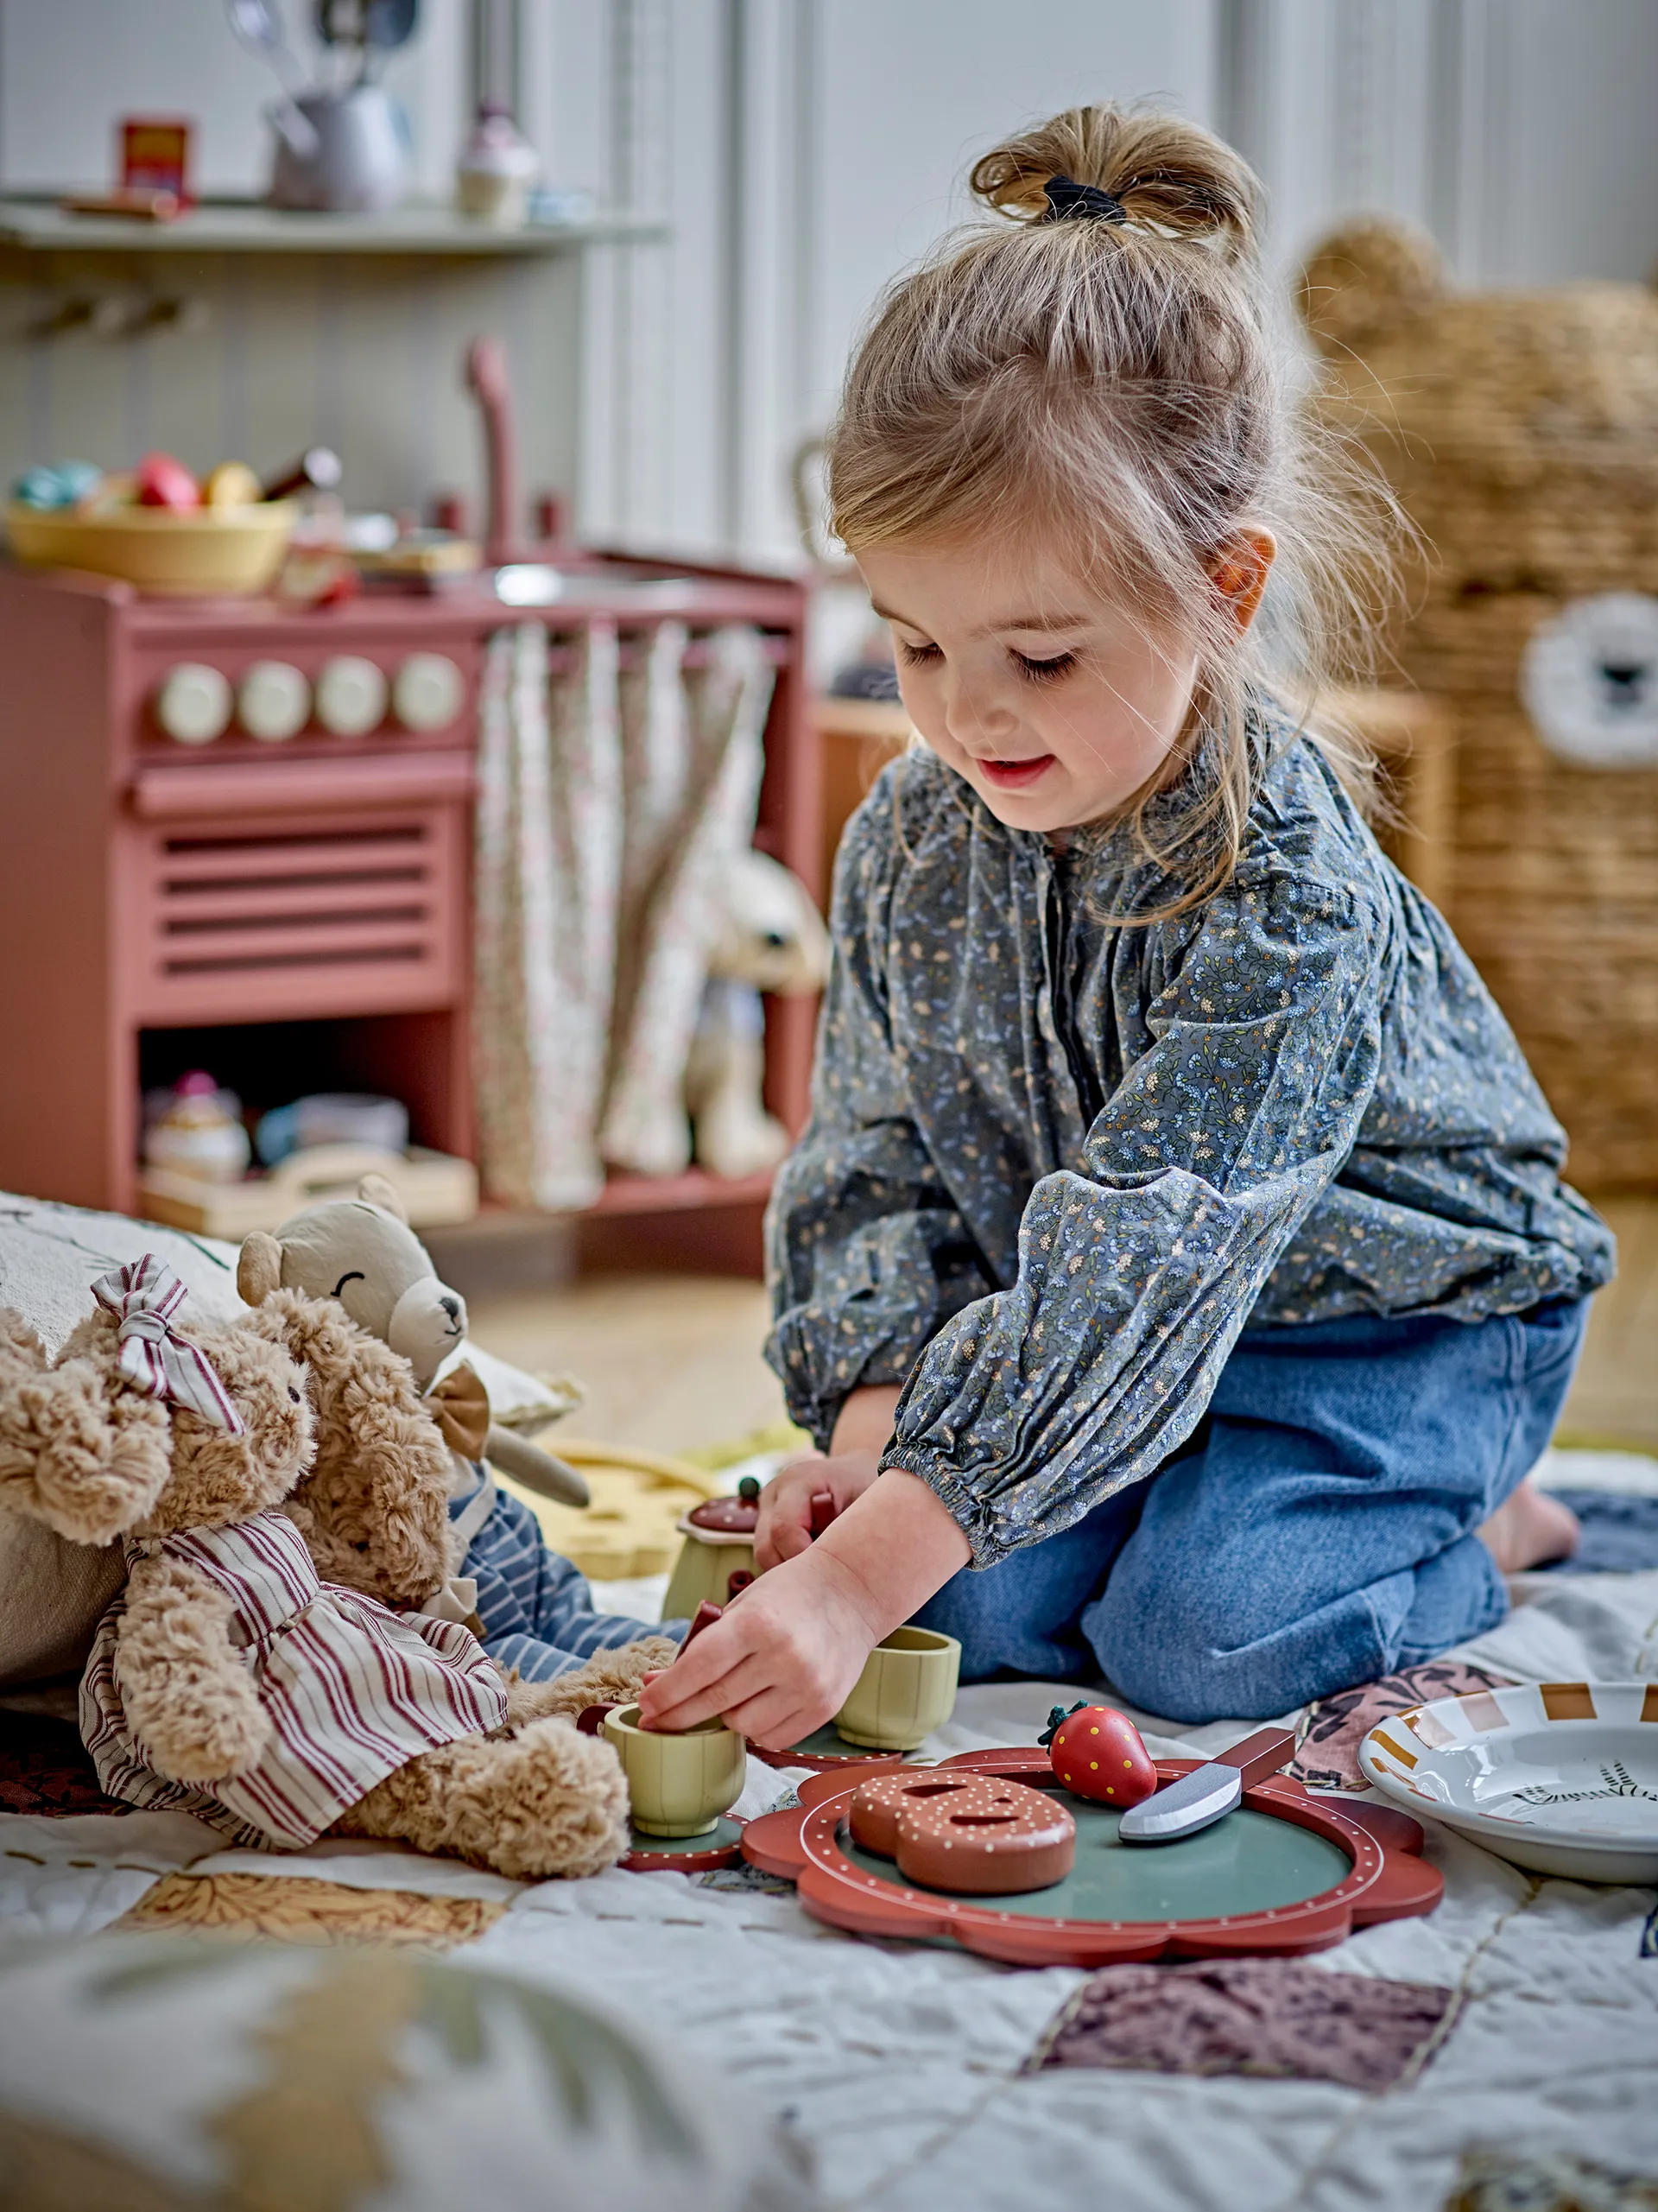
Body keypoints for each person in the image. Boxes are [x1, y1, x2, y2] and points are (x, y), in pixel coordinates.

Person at [639, 104, 1615, 1741]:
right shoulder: (908, 834)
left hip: (1394, 1329)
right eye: (915, 647)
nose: (965, 716)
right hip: (1112, 1328)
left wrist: (862, 1566)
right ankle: (1146, 1490)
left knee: (1200, 1644)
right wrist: (877, 1424)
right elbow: (867, 1161)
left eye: (1038, 654)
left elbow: (1153, 1255)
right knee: (965, 1601)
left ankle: (1483, 1523)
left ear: (1222, 592)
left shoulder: (1289, 895)